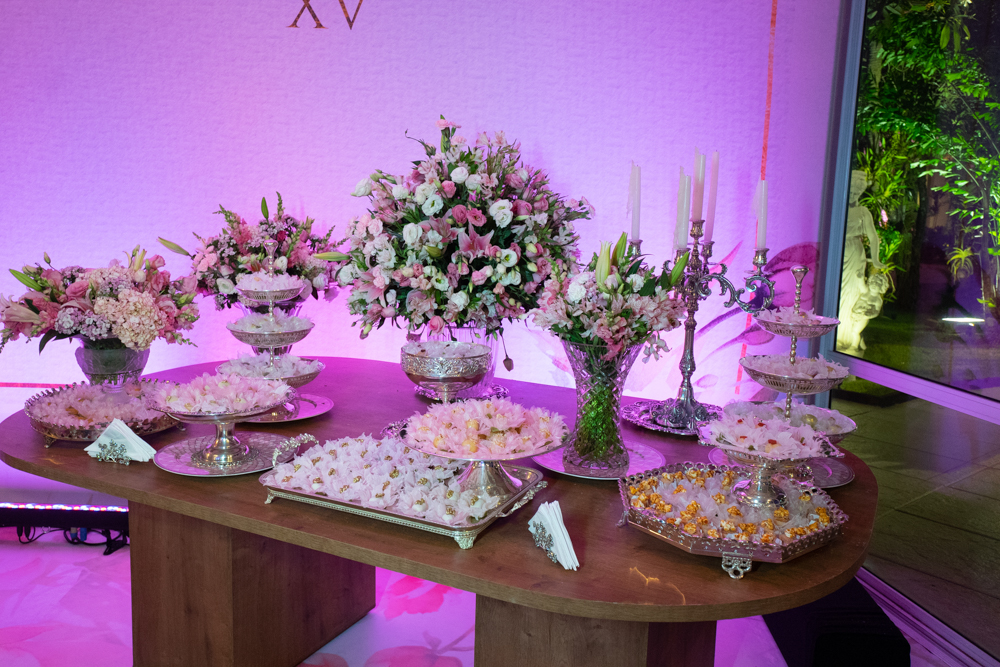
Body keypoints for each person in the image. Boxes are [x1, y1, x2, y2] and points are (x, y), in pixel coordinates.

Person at [837, 170, 887, 354]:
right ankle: (831, 333)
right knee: (838, 292)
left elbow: (873, 237)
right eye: (850, 191)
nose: (853, 195)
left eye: (856, 192)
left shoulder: (863, 212)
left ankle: (846, 336)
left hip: (855, 253)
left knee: (851, 292)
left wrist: (876, 260)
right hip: (838, 251)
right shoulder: (838, 207)